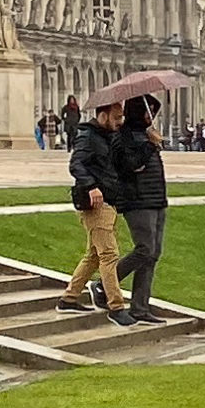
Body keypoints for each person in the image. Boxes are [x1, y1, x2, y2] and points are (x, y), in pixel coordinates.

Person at [107, 92, 170, 324]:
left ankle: (140, 307)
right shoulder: (122, 136)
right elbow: (131, 165)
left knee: (152, 255)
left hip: (156, 199)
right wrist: (151, 146)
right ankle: (105, 284)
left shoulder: (145, 134)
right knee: (143, 249)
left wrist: (152, 143)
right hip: (137, 200)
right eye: (148, 111)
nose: (151, 116)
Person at [57, 102, 123, 314]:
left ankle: (69, 299)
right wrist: (91, 186)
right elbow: (76, 164)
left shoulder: (109, 137)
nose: (120, 121)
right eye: (117, 117)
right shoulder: (88, 136)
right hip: (96, 203)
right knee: (109, 254)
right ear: (103, 116)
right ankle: (116, 306)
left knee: (94, 256)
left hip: (110, 201)